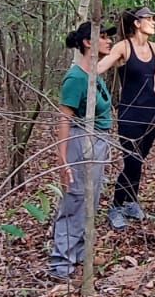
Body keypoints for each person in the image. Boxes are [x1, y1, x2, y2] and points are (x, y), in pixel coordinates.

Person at [51, 21, 127, 278]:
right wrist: (63, 159)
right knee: (75, 198)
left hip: (98, 141)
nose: (108, 42)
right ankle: (61, 260)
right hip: (80, 140)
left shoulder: (93, 73)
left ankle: (80, 251)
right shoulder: (75, 77)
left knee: (91, 197)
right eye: (103, 37)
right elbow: (64, 118)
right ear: (87, 42)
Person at [109, 7, 155, 230]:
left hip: (151, 113)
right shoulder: (123, 47)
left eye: (153, 18)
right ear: (137, 23)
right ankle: (117, 206)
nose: (153, 22)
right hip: (129, 113)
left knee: (139, 160)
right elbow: (102, 66)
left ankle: (131, 201)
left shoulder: (154, 47)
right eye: (149, 19)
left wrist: (154, 89)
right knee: (131, 160)